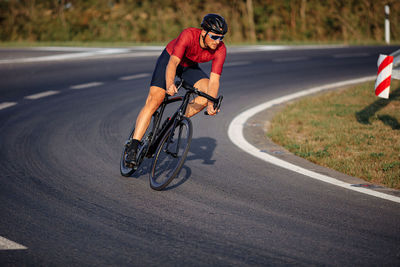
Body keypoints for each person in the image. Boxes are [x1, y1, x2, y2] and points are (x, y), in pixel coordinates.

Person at [126, 13, 228, 166]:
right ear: (203, 32)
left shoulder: (221, 49)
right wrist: (169, 84)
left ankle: (172, 123)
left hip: (190, 67)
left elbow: (214, 81)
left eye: (221, 37)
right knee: (156, 100)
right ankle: (133, 147)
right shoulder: (188, 35)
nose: (218, 41)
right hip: (170, 59)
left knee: (207, 95)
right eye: (214, 37)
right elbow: (173, 63)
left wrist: (211, 103)